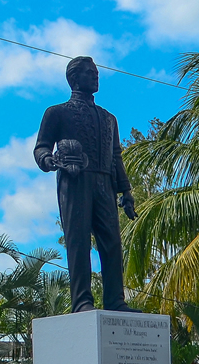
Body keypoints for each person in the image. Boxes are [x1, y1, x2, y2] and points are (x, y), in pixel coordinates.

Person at [34, 56, 139, 313]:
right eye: (90, 73)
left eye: (96, 72)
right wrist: (48, 160)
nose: (96, 76)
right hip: (75, 181)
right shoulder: (56, 112)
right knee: (78, 241)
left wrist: (126, 191)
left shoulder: (109, 118)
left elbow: (116, 157)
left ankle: (115, 300)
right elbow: (41, 147)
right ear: (74, 78)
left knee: (112, 243)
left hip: (105, 183)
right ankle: (82, 301)